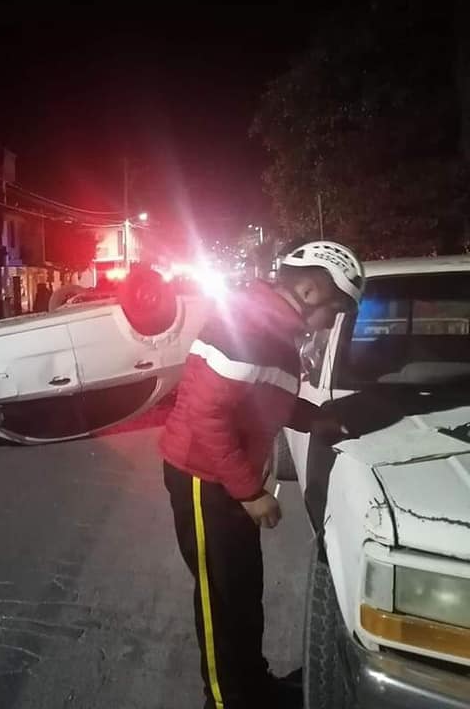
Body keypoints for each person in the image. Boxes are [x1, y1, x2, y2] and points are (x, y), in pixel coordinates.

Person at [158, 241, 364, 709]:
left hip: (226, 478)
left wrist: (316, 419)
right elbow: (209, 417)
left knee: (244, 592)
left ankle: (253, 683)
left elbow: (267, 396)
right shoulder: (250, 329)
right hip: (202, 477)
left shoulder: (274, 330)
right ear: (309, 290)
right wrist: (251, 492)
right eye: (336, 308)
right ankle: (226, 699)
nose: (333, 321)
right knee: (221, 601)